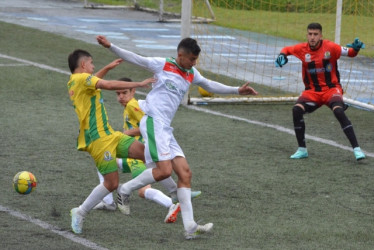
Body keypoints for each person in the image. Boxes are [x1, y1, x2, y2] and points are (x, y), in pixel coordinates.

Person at [97, 35, 258, 239]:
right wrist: (111, 46)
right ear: (180, 55)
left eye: (195, 60)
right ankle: (125, 189)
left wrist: (237, 90)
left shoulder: (191, 73)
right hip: (154, 122)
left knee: (185, 173)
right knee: (164, 171)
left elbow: (208, 84)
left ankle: (190, 226)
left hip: (165, 128)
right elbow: (135, 58)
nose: (194, 63)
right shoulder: (163, 65)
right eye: (191, 59)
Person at [67, 49, 155, 234]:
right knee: (112, 184)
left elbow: (96, 81)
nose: (93, 67)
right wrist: (138, 84)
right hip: (99, 141)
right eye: (91, 63)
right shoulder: (82, 79)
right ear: (83, 65)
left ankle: (175, 196)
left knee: (146, 153)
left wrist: (107, 67)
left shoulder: (76, 81)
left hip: (111, 135)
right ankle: (81, 212)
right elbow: (106, 85)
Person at [94, 78, 201, 223]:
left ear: (133, 91)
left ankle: (173, 203)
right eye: (118, 94)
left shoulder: (133, 105)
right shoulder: (128, 107)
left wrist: (126, 133)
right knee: (104, 164)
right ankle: (108, 202)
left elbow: (147, 124)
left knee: (144, 189)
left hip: (138, 156)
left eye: (124, 92)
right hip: (137, 155)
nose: (121, 97)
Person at [275, 22, 366, 161]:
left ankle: (357, 149)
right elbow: (287, 49)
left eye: (315, 34)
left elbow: (351, 53)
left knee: (338, 111)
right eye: (310, 34)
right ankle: (302, 149)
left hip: (331, 89)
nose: (312, 37)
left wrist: (356, 48)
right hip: (312, 92)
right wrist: (282, 55)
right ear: (307, 35)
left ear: (321, 36)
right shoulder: (301, 49)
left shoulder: (331, 47)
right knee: (296, 110)